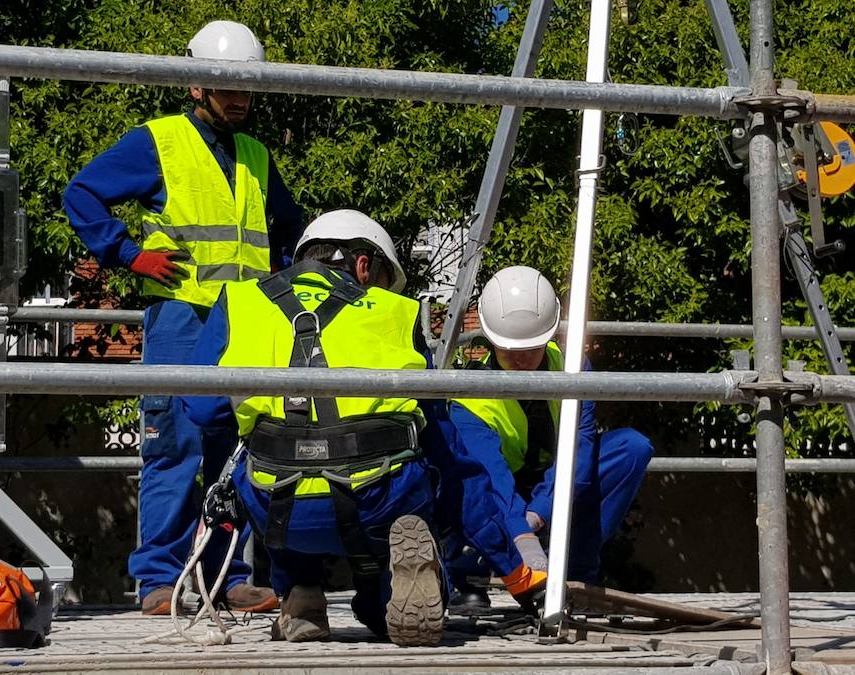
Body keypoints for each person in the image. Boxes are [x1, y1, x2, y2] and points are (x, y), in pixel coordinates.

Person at [62, 20, 303, 616]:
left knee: (237, 450)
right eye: (229, 87)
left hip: (244, 323)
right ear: (195, 85)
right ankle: (159, 581)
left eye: (249, 88)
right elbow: (82, 193)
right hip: (180, 318)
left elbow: (294, 232)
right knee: (174, 446)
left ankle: (227, 574)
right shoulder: (159, 141)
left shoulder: (256, 155)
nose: (241, 99)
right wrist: (126, 252)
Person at [183, 210, 450, 646]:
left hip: (281, 510)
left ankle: (301, 599)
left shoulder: (240, 300)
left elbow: (201, 409)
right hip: (378, 501)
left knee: (263, 474)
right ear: (364, 266)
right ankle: (396, 591)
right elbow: (434, 417)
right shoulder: (399, 311)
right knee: (430, 470)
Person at [447, 265, 653, 610]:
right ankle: (468, 577)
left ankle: (575, 573)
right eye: (510, 349)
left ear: (550, 333)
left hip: (555, 481)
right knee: (468, 484)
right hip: (503, 492)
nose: (521, 358)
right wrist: (521, 532)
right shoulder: (471, 396)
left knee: (631, 448)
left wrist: (541, 511)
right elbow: (492, 478)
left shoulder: (571, 366)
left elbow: (580, 447)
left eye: (531, 348)